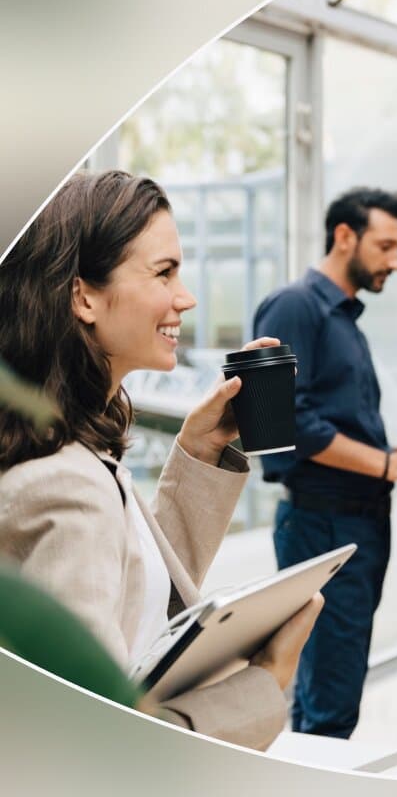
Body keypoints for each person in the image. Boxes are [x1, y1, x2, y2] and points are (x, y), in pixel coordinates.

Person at [0, 170, 323, 751]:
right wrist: (265, 682)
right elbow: (95, 743)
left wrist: (199, 450)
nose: (186, 297)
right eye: (164, 272)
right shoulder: (63, 485)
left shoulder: (71, 448)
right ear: (84, 297)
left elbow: (132, 598)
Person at [253, 186, 397, 740]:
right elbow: (280, 428)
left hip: (356, 523)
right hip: (324, 525)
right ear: (345, 236)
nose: (396, 260)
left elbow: (334, 420)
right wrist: (390, 464)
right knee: (329, 705)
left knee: (333, 694)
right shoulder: (293, 307)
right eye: (386, 245)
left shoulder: (345, 319)